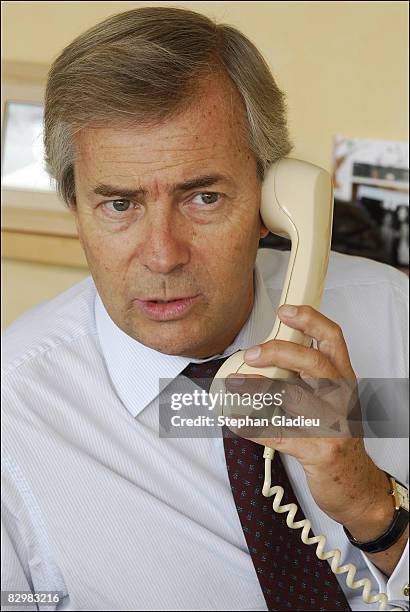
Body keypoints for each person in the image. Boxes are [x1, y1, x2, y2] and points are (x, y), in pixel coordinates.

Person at [2, 6, 408, 612]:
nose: (163, 257)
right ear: (75, 207)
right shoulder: (15, 413)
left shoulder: (395, 316)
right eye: (119, 205)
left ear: (274, 198)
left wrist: (371, 507)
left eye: (204, 197)